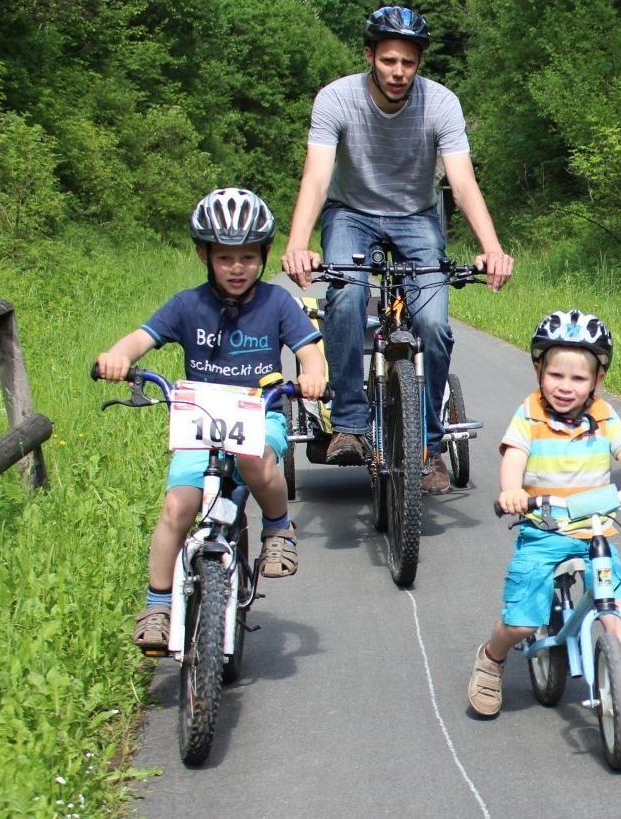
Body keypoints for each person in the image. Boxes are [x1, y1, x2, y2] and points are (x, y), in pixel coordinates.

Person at [281, 5, 514, 494]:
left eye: (408, 63)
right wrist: (298, 243)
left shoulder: (441, 105)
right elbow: (318, 176)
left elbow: (462, 182)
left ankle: (427, 447)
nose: (398, 72)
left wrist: (492, 248)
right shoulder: (336, 100)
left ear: (419, 63)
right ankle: (349, 423)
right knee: (345, 297)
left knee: (432, 321)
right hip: (350, 212)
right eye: (388, 61)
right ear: (369, 55)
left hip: (416, 217)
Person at [95, 188, 327, 653]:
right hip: (199, 421)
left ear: (263, 255)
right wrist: (117, 357)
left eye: (247, 256)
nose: (237, 267)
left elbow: (309, 351)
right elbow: (140, 339)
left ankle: (279, 529)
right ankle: (158, 605)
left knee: (257, 463)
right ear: (204, 255)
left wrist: (313, 375)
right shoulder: (186, 305)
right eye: (224, 258)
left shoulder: (278, 304)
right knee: (177, 508)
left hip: (258, 414)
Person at [467, 310, 621, 729]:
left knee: (616, 609)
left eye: (579, 379)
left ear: (597, 380)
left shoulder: (602, 413)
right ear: (539, 371)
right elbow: (515, 455)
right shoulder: (530, 413)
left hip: (595, 529)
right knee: (522, 620)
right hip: (544, 529)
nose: (566, 387)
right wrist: (511, 491)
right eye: (556, 376)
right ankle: (491, 659)